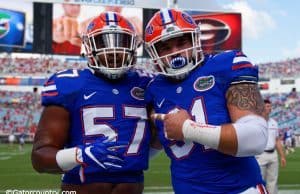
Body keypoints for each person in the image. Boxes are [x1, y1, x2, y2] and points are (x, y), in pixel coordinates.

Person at [32, 12, 158, 194]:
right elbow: (40, 158)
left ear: (133, 47)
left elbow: (156, 138)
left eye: (120, 42)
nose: (113, 51)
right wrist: (80, 156)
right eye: (103, 43)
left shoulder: (147, 83)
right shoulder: (69, 84)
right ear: (89, 47)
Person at [144, 9, 268, 193]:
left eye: (182, 42)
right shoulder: (154, 89)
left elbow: (256, 138)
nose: (176, 52)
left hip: (240, 190)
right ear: (154, 53)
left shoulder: (227, 64)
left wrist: (188, 129)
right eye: (165, 47)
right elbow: (148, 147)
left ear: (195, 40)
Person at [256, 99, 286, 194]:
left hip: (273, 154)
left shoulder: (274, 122)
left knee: (273, 182)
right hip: (261, 155)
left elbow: (277, 140)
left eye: (270, 106)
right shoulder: (256, 122)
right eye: (267, 106)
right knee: (260, 181)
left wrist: (282, 156)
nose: (270, 108)